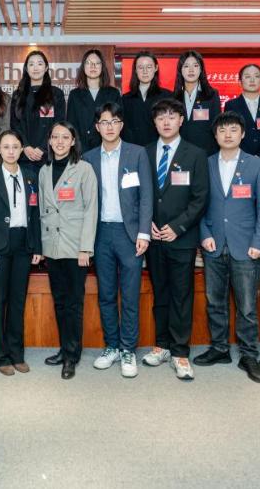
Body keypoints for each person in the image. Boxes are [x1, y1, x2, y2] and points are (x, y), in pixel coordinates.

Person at [195, 111, 260, 384]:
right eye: (222, 130)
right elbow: (198, 204)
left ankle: (249, 355)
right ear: (215, 135)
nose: (227, 135)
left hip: (246, 246)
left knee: (247, 306)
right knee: (214, 301)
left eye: (233, 130)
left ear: (242, 133)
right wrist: (204, 235)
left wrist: (259, 242)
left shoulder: (257, 164)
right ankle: (219, 348)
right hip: (213, 244)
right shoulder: (205, 163)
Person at [83, 102, 153, 378]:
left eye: (114, 121)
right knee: (107, 294)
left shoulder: (137, 153)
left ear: (121, 125)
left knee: (131, 294)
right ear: (97, 127)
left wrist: (144, 232)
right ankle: (112, 345)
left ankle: (127, 349)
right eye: (104, 122)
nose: (109, 127)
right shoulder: (88, 158)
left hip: (130, 234)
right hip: (101, 233)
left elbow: (146, 196)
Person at [142, 98, 208, 381]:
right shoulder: (144, 152)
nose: (166, 121)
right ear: (154, 122)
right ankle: (162, 345)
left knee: (181, 295)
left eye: (172, 116)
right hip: (154, 236)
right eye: (161, 117)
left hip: (181, 237)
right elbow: (140, 194)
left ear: (181, 120)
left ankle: (180, 351)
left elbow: (200, 198)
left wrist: (178, 227)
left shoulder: (196, 154)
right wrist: (147, 223)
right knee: (161, 293)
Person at [0, 130, 42, 376]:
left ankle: (16, 354)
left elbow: (35, 214)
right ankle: (1, 356)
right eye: (6, 147)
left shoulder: (30, 176)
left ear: (22, 148)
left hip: (23, 244)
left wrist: (37, 247)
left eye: (16, 146)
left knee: (17, 301)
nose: (11, 151)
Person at [38, 121, 98, 380]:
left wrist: (86, 248)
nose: (60, 141)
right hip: (52, 247)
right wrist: (41, 246)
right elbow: (42, 211)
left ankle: (72, 355)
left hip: (75, 248)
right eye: (55, 137)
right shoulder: (44, 170)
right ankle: (64, 349)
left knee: (73, 304)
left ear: (73, 141)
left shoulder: (84, 169)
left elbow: (91, 209)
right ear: (49, 141)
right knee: (60, 301)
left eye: (65, 137)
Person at [10, 49, 66, 167]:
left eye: (40, 64)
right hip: (23, 156)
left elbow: (59, 124)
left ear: (46, 68)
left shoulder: (56, 94)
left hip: (48, 154)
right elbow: (15, 124)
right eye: (31, 64)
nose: (35, 68)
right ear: (26, 69)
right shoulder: (18, 95)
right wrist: (25, 146)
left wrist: (42, 147)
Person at [67, 48, 121, 152]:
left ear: (102, 67)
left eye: (97, 63)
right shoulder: (75, 95)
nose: (93, 66)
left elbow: (117, 123)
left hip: (107, 148)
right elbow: (71, 125)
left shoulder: (113, 93)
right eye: (88, 63)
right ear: (83, 67)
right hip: (82, 149)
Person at [223, 63, 260, 156]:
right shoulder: (231, 105)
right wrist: (246, 156)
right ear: (240, 81)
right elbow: (230, 132)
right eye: (247, 77)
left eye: (256, 76)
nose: (252, 80)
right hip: (240, 156)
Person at [173, 50, 221, 155]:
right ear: (180, 70)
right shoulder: (174, 97)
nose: (191, 70)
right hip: (179, 153)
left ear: (201, 69)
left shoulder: (211, 95)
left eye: (195, 66)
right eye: (186, 66)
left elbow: (217, 126)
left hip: (205, 153)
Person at [121, 51, 170, 147]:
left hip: (159, 149)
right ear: (135, 70)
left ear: (156, 68)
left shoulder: (167, 96)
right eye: (140, 67)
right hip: (133, 150)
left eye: (149, 67)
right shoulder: (126, 99)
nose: (145, 71)